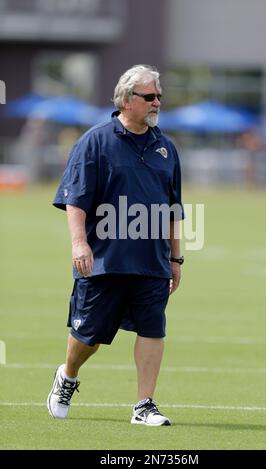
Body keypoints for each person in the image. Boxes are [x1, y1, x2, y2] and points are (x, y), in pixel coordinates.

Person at [47, 65, 184, 426]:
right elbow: (75, 199)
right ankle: (68, 375)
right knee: (88, 335)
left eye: (159, 96)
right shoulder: (94, 141)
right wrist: (79, 244)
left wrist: (177, 257)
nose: (157, 102)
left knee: (153, 329)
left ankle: (144, 404)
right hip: (104, 259)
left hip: (152, 260)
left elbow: (174, 208)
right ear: (126, 100)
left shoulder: (166, 147)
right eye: (149, 96)